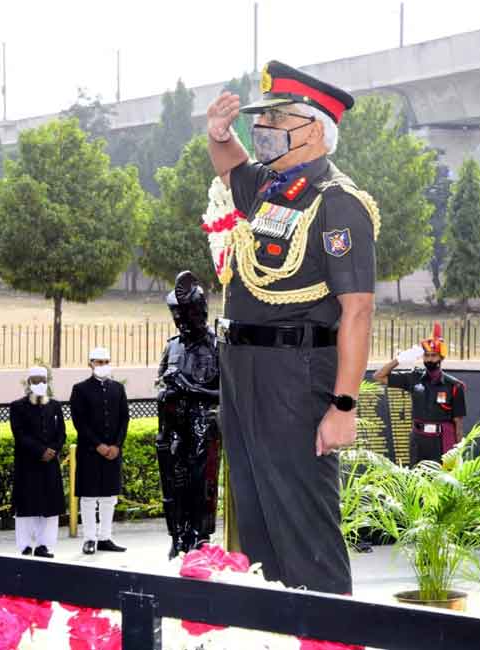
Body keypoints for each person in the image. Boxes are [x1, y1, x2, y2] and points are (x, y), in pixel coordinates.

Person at [205, 60, 378, 595]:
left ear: (314, 130)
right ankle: (271, 623)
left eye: (278, 119)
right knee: (256, 515)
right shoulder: (270, 187)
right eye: (263, 119)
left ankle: (328, 626)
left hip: (296, 374)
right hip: (243, 369)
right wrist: (219, 134)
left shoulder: (338, 203)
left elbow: (358, 310)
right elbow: (231, 168)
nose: (263, 128)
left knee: (303, 521)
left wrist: (344, 406)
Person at [155, 271, 221, 559]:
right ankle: (177, 535)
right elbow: (160, 380)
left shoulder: (217, 346)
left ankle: (200, 536)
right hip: (173, 426)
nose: (182, 323)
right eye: (177, 318)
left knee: (201, 485)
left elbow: (227, 393)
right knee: (174, 484)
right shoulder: (172, 345)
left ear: (200, 312)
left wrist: (192, 389)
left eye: (186, 316)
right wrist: (168, 389)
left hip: (203, 427)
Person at [373, 322, 468, 464]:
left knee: (440, 476)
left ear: (441, 358)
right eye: (426, 355)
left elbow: (458, 424)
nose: (429, 359)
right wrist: (399, 360)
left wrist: (458, 452)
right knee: (416, 474)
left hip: (441, 441)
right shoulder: (414, 377)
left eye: (433, 355)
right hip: (419, 440)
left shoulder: (454, 386)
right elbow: (379, 376)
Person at [69, 347, 130, 555]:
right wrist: (98, 445)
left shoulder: (118, 388)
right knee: (88, 497)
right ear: (90, 364)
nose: (102, 366)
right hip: (89, 451)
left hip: (113, 451)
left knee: (109, 497)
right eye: (98, 362)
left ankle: (105, 537)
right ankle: (89, 538)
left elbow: (124, 419)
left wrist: (117, 445)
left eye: (105, 362)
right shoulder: (80, 389)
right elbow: (79, 422)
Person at [9, 366, 66, 559]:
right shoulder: (17, 406)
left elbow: (61, 433)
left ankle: (44, 545)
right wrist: (40, 451)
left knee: (50, 507)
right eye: (35, 380)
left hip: (50, 464)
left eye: (43, 380)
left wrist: (53, 450)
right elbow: (20, 434)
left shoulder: (55, 405)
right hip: (27, 463)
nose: (40, 384)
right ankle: (25, 545)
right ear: (29, 383)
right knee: (27, 506)